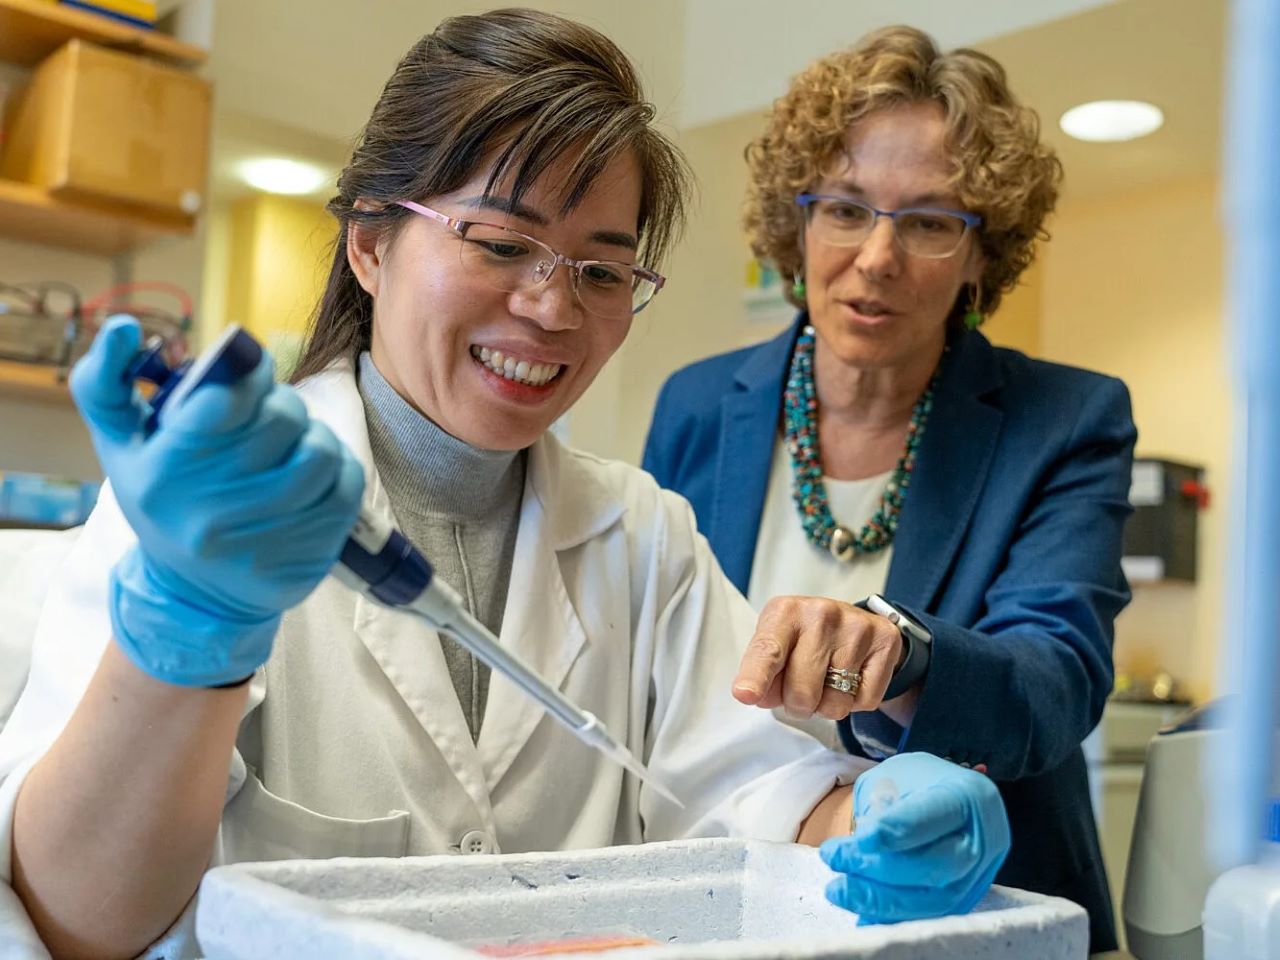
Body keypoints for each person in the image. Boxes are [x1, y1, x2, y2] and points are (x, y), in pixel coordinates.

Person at [0, 11, 1010, 960]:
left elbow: (745, 795)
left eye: (602, 272)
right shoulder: (207, 514)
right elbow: (81, 924)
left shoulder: (644, 535)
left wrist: (871, 821)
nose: (550, 304)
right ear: (368, 242)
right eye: (499, 242)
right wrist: (191, 625)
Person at [642, 25, 1134, 953]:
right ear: (797, 222)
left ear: (985, 254)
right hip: (738, 893)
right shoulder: (699, 405)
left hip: (978, 906)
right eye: (845, 209)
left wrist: (905, 655)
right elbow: (653, 661)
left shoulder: (1065, 419)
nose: (876, 257)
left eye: (931, 222)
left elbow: (1056, 678)